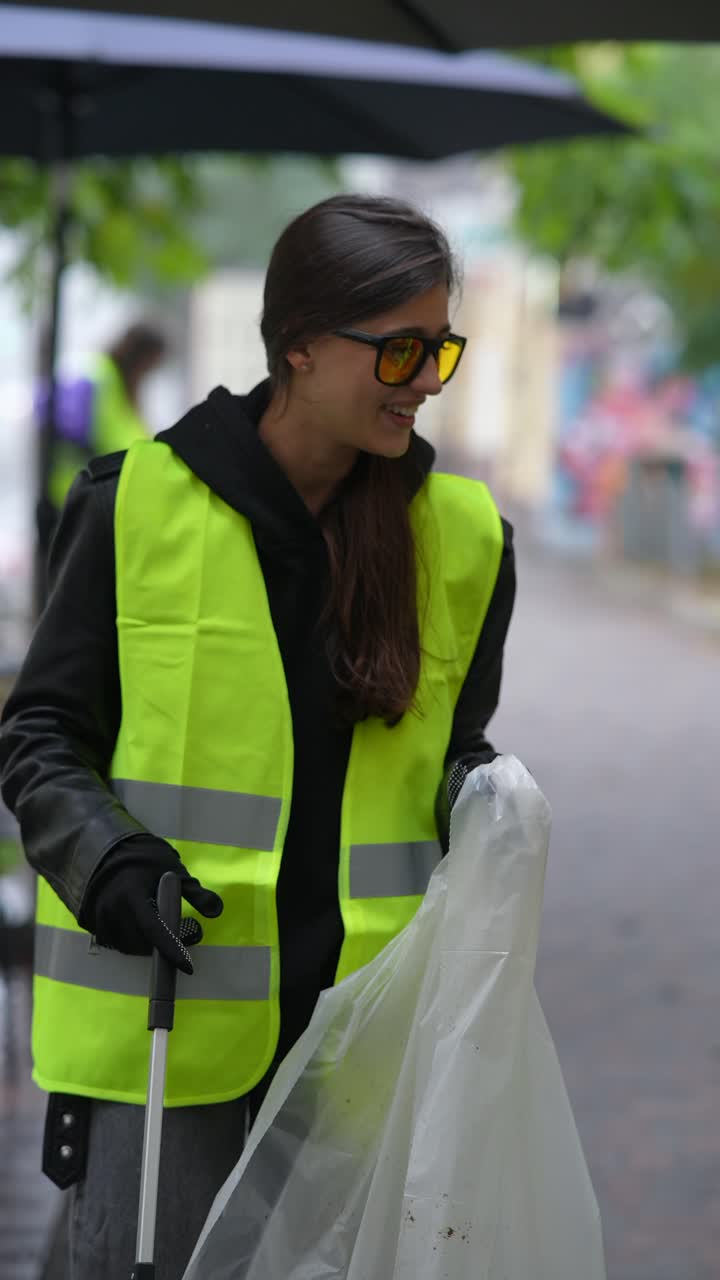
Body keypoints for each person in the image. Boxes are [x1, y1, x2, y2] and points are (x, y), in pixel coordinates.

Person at [0, 195, 516, 1280]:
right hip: (168, 1023)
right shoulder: (130, 505)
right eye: (401, 351)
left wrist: (492, 796)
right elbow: (39, 736)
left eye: (442, 348)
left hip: (357, 1040)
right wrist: (112, 860)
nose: (428, 379)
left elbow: (453, 750)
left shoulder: (466, 539)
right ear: (300, 345)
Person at [40, 321, 168, 512]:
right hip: (83, 496)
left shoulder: (102, 372)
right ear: (143, 357)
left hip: (73, 491)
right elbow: (114, 441)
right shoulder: (107, 379)